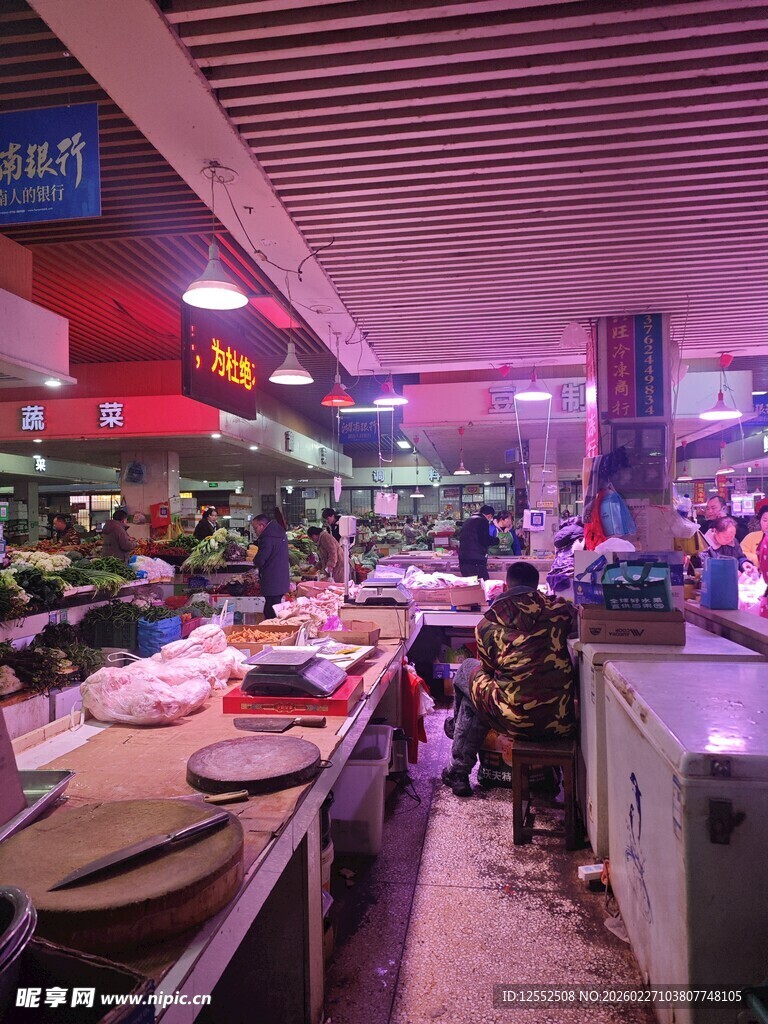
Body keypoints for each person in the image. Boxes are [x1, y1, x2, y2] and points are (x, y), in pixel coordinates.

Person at [442, 561, 575, 797]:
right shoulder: (560, 611)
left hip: (514, 719)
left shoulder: (488, 624)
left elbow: (488, 671)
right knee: (479, 692)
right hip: (560, 717)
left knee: (469, 675)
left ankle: (458, 766)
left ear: (506, 585)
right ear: (537, 586)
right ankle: (456, 747)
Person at [252, 513, 291, 619]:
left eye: (255, 528)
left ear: (262, 525)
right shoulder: (279, 532)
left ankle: (271, 627)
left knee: (270, 609)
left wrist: (255, 562)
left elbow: (261, 558)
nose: (255, 531)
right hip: (281, 578)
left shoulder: (267, 537)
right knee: (275, 606)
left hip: (272, 580)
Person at [457, 504, 495, 579]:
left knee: (471, 584)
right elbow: (484, 540)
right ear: (489, 516)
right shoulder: (483, 521)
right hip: (475, 561)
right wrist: (496, 540)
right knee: (483, 583)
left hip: (463, 560)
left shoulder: (468, 520)